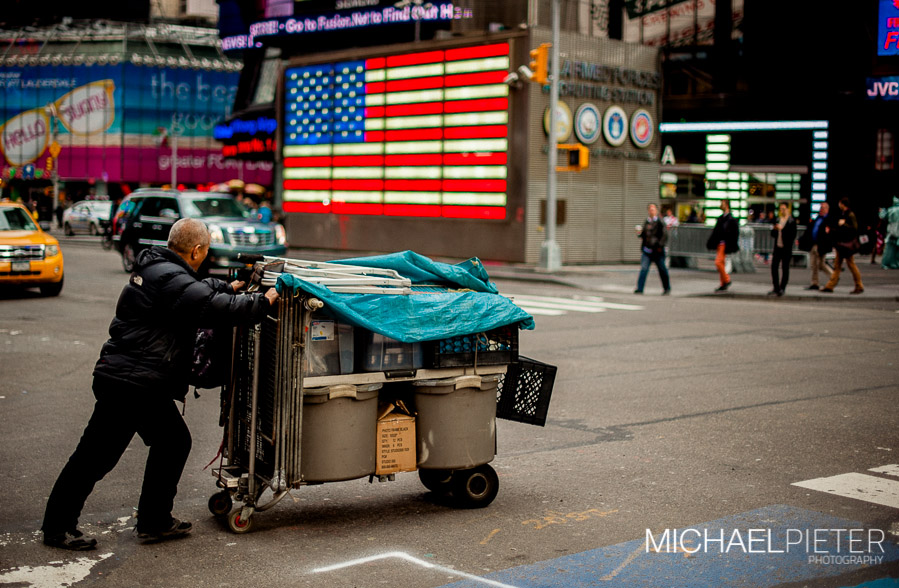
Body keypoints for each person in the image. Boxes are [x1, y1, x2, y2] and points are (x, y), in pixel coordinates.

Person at [41, 218, 280, 551]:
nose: (206, 255)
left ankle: (154, 521)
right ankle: (58, 527)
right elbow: (217, 307)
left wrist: (232, 286)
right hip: (132, 383)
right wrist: (266, 299)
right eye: (206, 250)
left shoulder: (159, 269)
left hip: (134, 381)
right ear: (196, 249)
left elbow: (199, 291)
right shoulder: (170, 278)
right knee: (95, 456)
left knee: (172, 442)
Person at [821, 198, 864, 294]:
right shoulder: (845, 214)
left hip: (846, 245)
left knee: (850, 264)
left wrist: (843, 224)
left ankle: (858, 285)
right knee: (838, 265)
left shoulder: (849, 215)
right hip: (842, 244)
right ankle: (830, 285)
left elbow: (854, 228)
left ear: (843, 204)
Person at [634, 203, 671, 295]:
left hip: (657, 251)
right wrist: (640, 233)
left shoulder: (660, 222)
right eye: (650, 209)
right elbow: (644, 235)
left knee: (662, 269)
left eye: (653, 209)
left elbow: (664, 235)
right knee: (644, 268)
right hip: (647, 250)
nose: (651, 211)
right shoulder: (647, 222)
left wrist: (659, 245)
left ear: (656, 211)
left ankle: (667, 288)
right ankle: (640, 288)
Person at [706, 199, 739, 291]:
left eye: (723, 203)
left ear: (727, 205)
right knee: (721, 263)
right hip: (720, 243)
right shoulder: (723, 218)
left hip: (724, 244)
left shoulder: (729, 219)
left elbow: (733, 233)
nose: (721, 205)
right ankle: (723, 283)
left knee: (718, 262)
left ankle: (726, 279)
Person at [769, 202, 797, 296]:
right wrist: (775, 229)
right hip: (778, 246)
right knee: (774, 266)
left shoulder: (791, 221)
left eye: (784, 209)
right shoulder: (778, 219)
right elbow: (772, 234)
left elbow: (792, 235)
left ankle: (782, 287)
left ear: (788, 209)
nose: (782, 211)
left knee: (785, 267)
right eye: (780, 209)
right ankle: (776, 287)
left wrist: (782, 229)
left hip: (786, 248)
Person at [805, 202, 834, 290]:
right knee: (814, 264)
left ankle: (833, 277)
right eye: (820, 208)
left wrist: (822, 245)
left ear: (827, 209)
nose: (821, 210)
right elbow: (811, 229)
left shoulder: (828, 220)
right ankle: (815, 282)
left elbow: (827, 235)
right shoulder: (818, 218)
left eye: (823, 208)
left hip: (821, 245)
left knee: (821, 264)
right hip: (814, 244)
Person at [880, 196, 899, 269]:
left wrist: (882, 211)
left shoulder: (890, 210)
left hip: (891, 229)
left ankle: (886, 263)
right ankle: (896, 263)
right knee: (897, 248)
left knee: (889, 248)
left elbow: (883, 216)